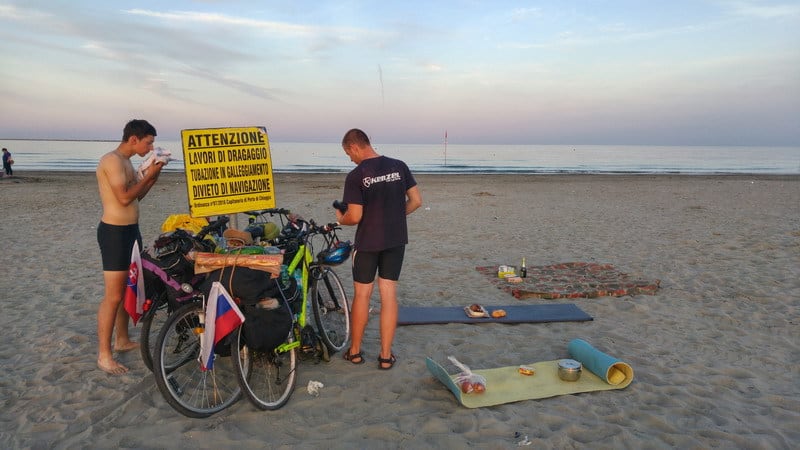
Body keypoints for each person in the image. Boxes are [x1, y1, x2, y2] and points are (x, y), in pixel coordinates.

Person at [335, 128, 422, 370]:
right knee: (388, 295)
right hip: (395, 240)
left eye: (347, 153)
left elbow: (355, 216)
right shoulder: (399, 166)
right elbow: (416, 201)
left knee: (362, 294)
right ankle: (385, 356)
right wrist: (395, 216)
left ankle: (354, 351)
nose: (349, 158)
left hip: (368, 242)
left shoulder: (356, 175)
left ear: (354, 147)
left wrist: (341, 219)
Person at [95, 119, 165, 374]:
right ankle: (104, 354)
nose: (151, 147)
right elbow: (123, 198)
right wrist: (151, 176)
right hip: (114, 233)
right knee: (113, 296)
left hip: (131, 231)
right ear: (133, 139)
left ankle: (121, 339)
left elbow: (139, 194)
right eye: (149, 142)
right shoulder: (112, 160)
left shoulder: (128, 162)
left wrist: (152, 176)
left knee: (127, 290)